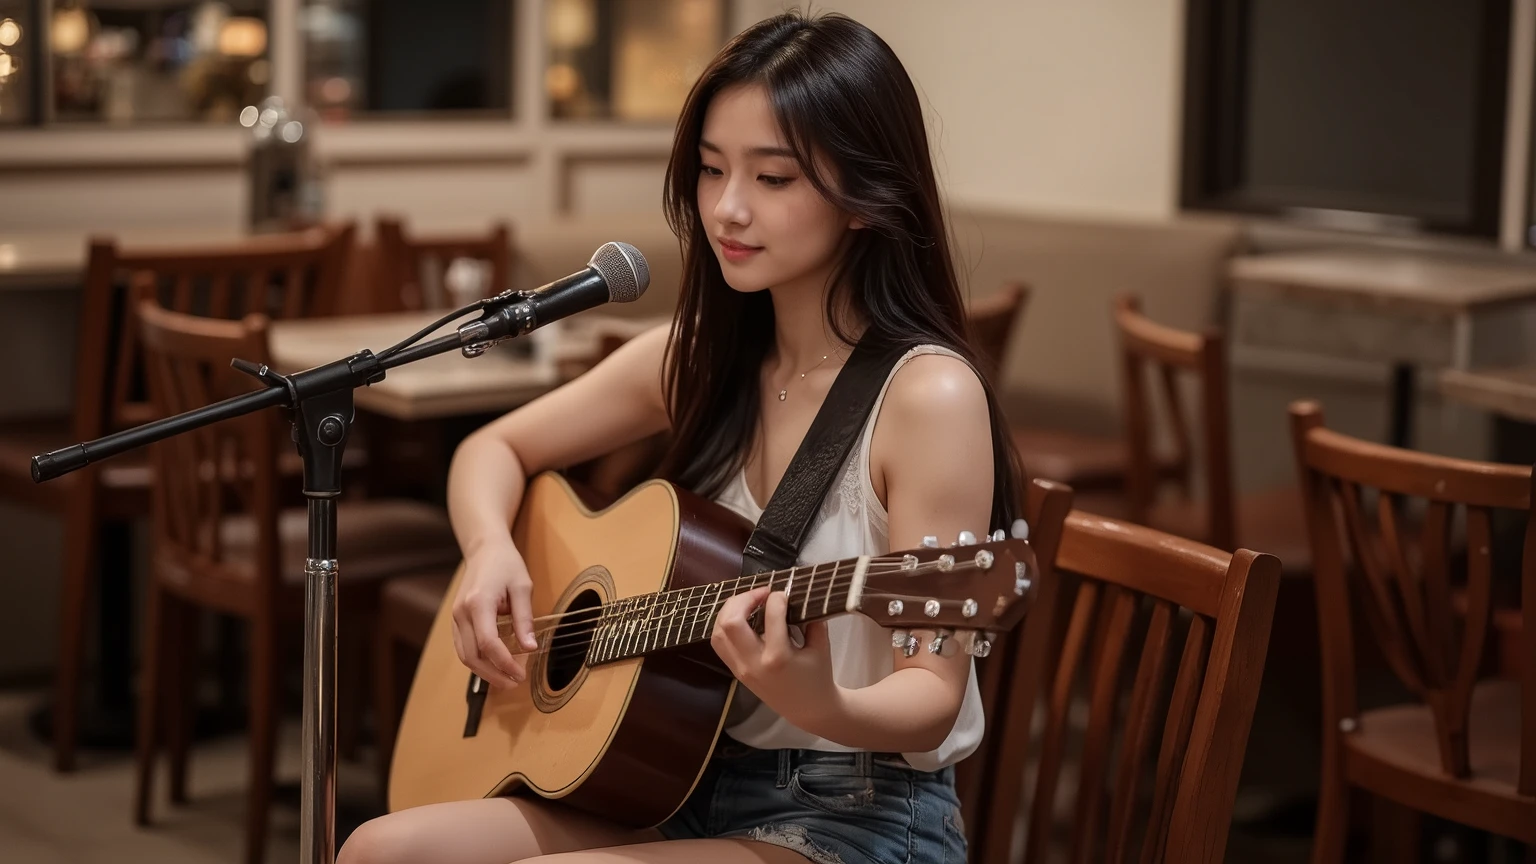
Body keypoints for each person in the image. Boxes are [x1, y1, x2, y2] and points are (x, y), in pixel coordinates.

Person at [339, 9, 1024, 864]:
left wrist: (821, 703)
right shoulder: (698, 356)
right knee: (376, 851)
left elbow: (931, 692)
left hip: (855, 813)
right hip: (673, 781)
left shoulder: (928, 396)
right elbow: (494, 450)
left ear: (864, 197)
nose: (727, 209)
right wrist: (488, 552)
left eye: (774, 178)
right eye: (709, 169)